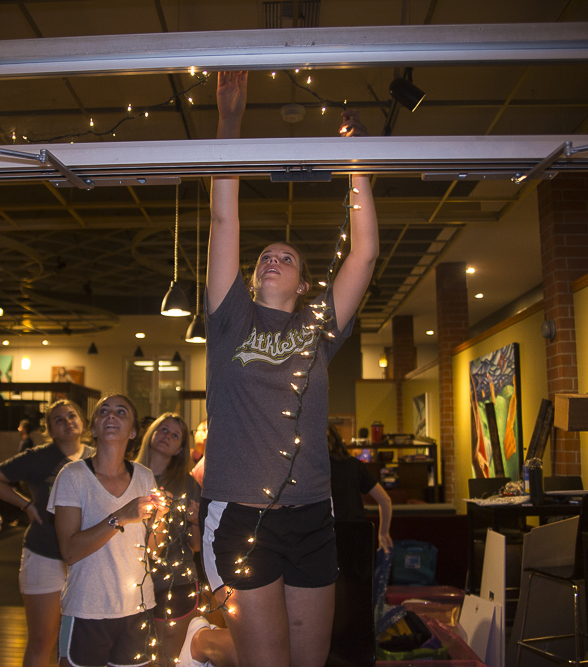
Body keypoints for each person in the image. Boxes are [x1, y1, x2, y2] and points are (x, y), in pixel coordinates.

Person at [200, 70, 379, 667]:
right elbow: (224, 220)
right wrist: (230, 119)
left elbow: (365, 253)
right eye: (265, 257)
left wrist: (357, 166)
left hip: (312, 519)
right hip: (243, 517)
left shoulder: (316, 327)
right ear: (253, 277)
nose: (274, 260)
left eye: (288, 258)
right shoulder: (230, 321)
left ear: (304, 284)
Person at [49, 394, 167, 667]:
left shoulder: (145, 476)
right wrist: (121, 516)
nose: (111, 416)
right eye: (104, 411)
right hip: (87, 608)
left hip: (138, 607)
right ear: (93, 427)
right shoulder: (73, 475)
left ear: (134, 431)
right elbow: (69, 551)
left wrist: (161, 517)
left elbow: (153, 550)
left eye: (121, 412)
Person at [0, 399, 93, 667]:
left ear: (82, 421)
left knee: (80, 643)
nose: (67, 422)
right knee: (42, 641)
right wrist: (25, 504)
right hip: (44, 556)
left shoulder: (97, 456)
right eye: (59, 420)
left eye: (71, 416)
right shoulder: (38, 457)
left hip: (87, 560)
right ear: (50, 429)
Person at [134, 413, 205, 664]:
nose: (167, 436)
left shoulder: (187, 485)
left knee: (168, 659)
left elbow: (195, 546)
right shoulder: (126, 475)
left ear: (180, 449)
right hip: (130, 586)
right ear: (151, 433)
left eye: (175, 435)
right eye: (163, 429)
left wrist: (195, 520)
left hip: (175, 585)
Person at [327, 425, 393, 553]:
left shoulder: (315, 470)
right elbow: (386, 501)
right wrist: (383, 533)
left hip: (325, 537)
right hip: (356, 535)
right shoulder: (354, 465)